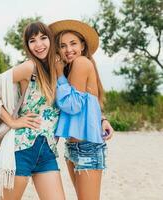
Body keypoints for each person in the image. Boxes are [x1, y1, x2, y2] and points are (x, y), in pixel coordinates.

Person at [0, 21, 66, 200]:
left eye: (43, 38)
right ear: (27, 46)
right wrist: (11, 121)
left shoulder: (57, 71)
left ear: (51, 40)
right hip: (22, 148)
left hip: (47, 150)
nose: (39, 44)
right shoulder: (29, 67)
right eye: (32, 40)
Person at [49, 19, 113, 200]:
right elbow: (89, 106)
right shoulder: (71, 68)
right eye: (62, 46)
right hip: (72, 146)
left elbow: (72, 105)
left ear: (83, 46)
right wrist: (102, 119)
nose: (68, 49)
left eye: (73, 43)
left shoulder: (82, 63)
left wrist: (59, 74)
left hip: (87, 147)